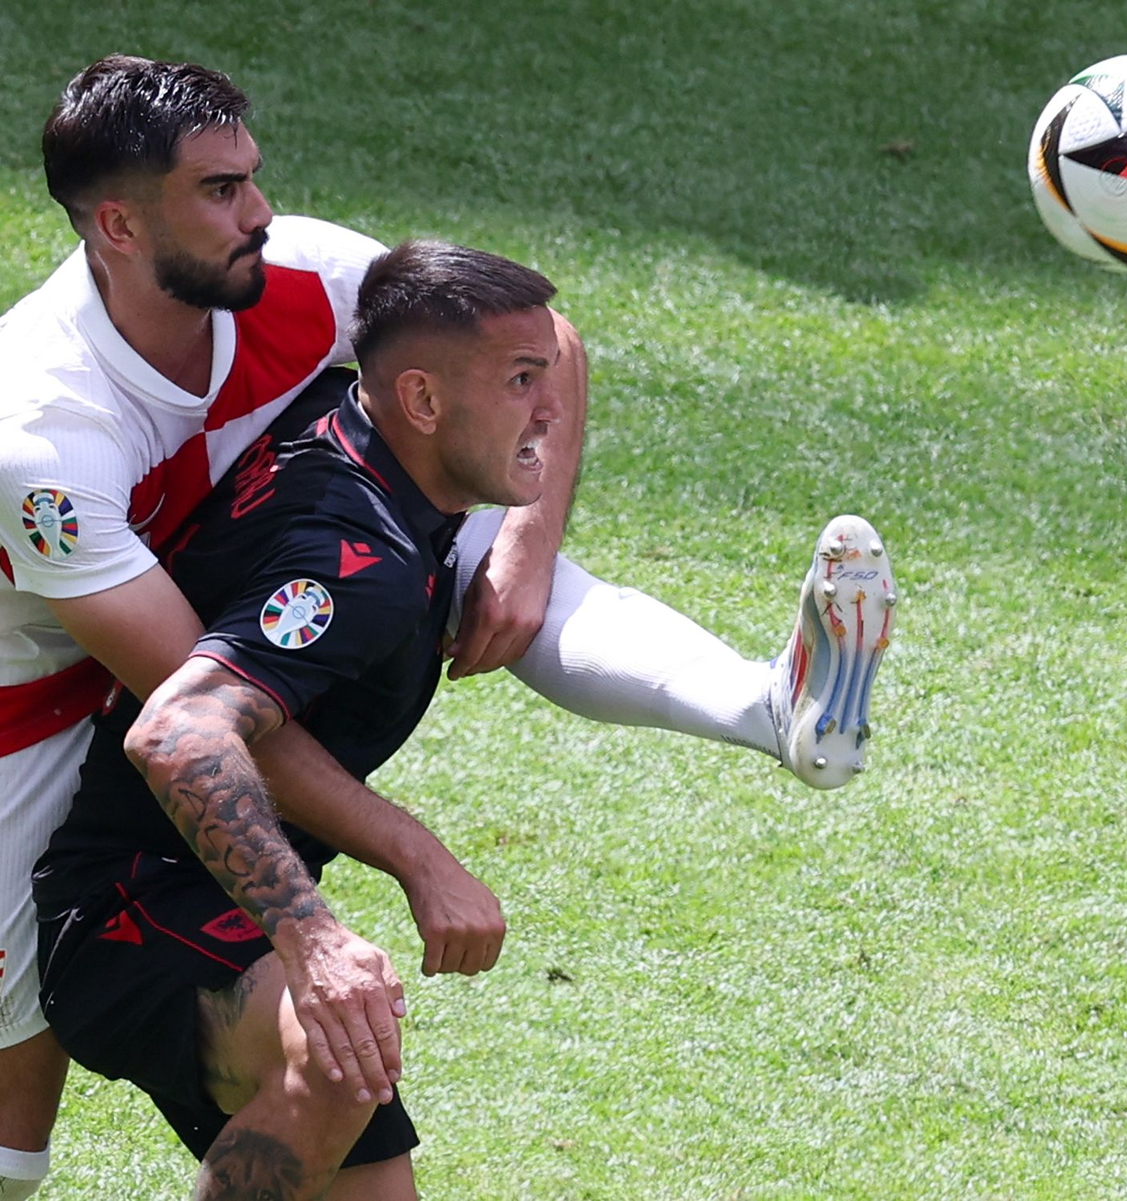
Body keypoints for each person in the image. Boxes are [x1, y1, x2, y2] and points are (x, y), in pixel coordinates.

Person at [0, 56, 895, 1197]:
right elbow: (187, 714)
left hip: (238, 598)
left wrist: (519, 551)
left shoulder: (295, 274)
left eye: (254, 178)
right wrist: (398, 875)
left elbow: (529, 338)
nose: (261, 212)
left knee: (453, 509)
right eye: (221, 191)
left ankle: (770, 706)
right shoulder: (44, 427)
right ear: (120, 223)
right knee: (16, 1123)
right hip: (38, 696)